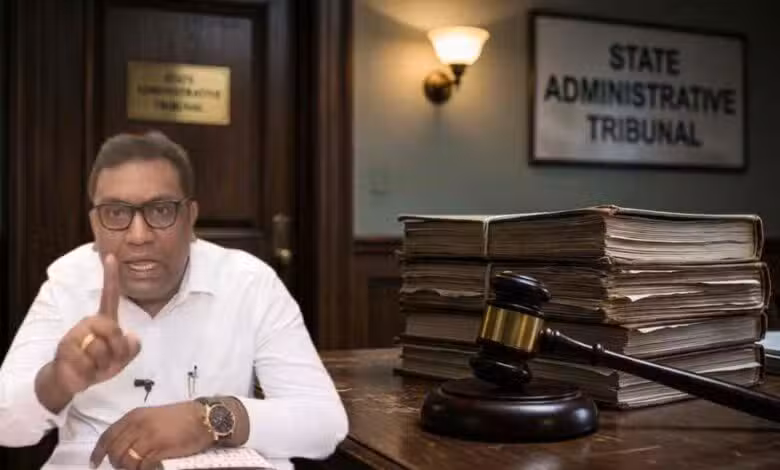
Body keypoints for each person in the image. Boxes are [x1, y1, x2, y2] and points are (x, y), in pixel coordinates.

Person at [0, 131, 348, 469]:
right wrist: (57, 381)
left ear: (190, 218)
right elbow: (5, 426)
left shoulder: (250, 283)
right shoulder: (66, 283)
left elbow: (324, 423)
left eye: (161, 210)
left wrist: (208, 419)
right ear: (95, 224)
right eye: (116, 213)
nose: (139, 236)